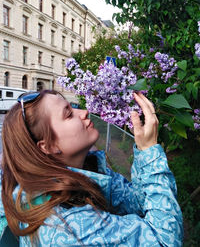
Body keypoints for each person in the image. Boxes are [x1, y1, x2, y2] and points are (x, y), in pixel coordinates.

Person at [0, 90, 183, 246]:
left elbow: (138, 202)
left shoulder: (86, 172)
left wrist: (144, 152)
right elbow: (164, 242)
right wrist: (150, 151)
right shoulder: (68, 227)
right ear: (47, 146)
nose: (85, 112)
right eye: (69, 114)